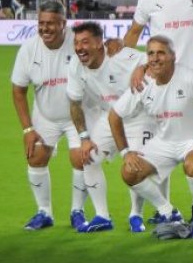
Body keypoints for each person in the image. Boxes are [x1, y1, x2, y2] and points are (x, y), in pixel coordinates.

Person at [110, 36, 193, 240]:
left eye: (161, 53)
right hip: (165, 140)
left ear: (173, 56)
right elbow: (114, 116)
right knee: (129, 172)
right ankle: (168, 212)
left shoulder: (192, 77)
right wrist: (125, 152)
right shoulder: (141, 83)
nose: (155, 58)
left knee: (192, 166)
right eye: (151, 54)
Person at [66, 21, 154, 233]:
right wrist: (84, 137)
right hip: (110, 117)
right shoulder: (76, 66)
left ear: (99, 43)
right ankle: (102, 215)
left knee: (135, 166)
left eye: (85, 42)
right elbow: (75, 103)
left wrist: (143, 67)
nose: (79, 48)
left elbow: (155, 60)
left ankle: (136, 215)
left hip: (140, 116)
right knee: (87, 156)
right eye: (76, 43)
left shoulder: (122, 56)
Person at [12, 1, 86, 231]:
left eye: (51, 24)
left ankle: (78, 212)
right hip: (45, 115)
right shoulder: (29, 49)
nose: (45, 28)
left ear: (63, 24)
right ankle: (44, 213)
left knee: (81, 159)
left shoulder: (78, 43)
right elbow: (18, 91)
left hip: (78, 115)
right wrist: (27, 129)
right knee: (35, 157)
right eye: (41, 23)